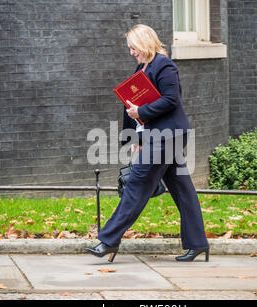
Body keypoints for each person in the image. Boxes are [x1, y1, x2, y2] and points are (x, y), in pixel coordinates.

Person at [86, 24, 209, 262]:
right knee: (183, 190)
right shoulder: (142, 66)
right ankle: (198, 244)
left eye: (133, 47)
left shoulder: (165, 65)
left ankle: (108, 241)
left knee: (137, 183)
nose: (131, 52)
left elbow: (171, 100)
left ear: (145, 43)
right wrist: (137, 138)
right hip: (158, 136)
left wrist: (140, 110)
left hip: (167, 137)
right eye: (129, 48)